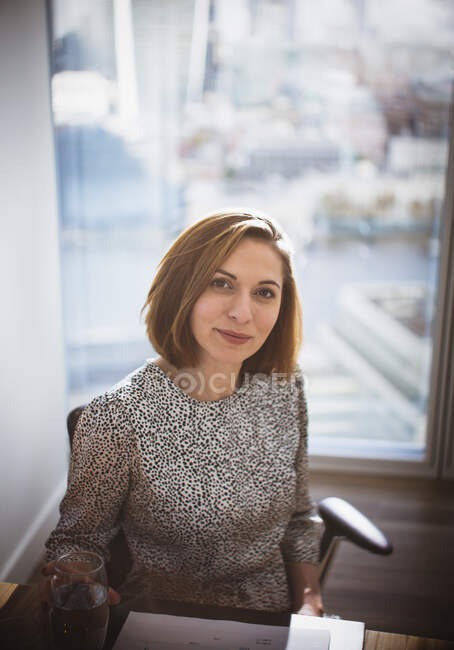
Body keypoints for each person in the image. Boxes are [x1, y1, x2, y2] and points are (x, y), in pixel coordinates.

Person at [44, 209, 324, 615]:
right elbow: (78, 541)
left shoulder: (284, 386)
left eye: (264, 292)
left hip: (272, 619)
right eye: (221, 283)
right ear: (182, 290)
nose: (243, 313)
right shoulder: (117, 414)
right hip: (162, 619)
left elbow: (300, 518)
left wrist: (310, 605)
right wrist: (75, 579)